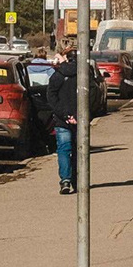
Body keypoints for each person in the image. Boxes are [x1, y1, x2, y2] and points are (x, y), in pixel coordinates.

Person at [45, 40, 86, 194]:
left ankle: (66, 180)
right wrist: (78, 115)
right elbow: (92, 94)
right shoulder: (83, 75)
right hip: (80, 118)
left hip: (62, 119)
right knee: (79, 150)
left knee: (63, 149)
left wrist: (65, 114)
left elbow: (51, 98)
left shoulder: (58, 76)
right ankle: (78, 180)